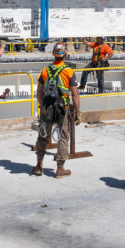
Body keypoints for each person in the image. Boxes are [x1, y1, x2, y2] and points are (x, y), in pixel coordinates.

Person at [32, 42, 81, 178]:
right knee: (63, 137)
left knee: (43, 136)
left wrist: (42, 107)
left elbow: (39, 91)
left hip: (47, 107)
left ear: (54, 54)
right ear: (65, 54)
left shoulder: (45, 70)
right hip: (62, 108)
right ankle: (60, 168)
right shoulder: (69, 71)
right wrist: (78, 111)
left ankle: (38, 165)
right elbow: (75, 93)